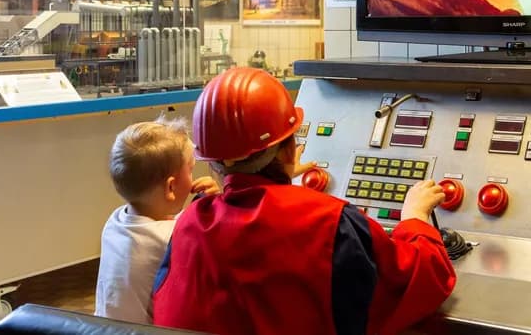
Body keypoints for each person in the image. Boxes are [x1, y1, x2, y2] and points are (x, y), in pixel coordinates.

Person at [152, 67, 456, 335]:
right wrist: (415, 216)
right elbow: (421, 282)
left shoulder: (188, 225)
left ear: (214, 164)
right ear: (289, 149)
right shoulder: (331, 223)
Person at [94, 116, 221, 324]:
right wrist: (215, 204)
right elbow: (207, 248)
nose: (193, 175)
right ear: (171, 188)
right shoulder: (170, 241)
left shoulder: (116, 222)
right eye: (190, 169)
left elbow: (165, 228)